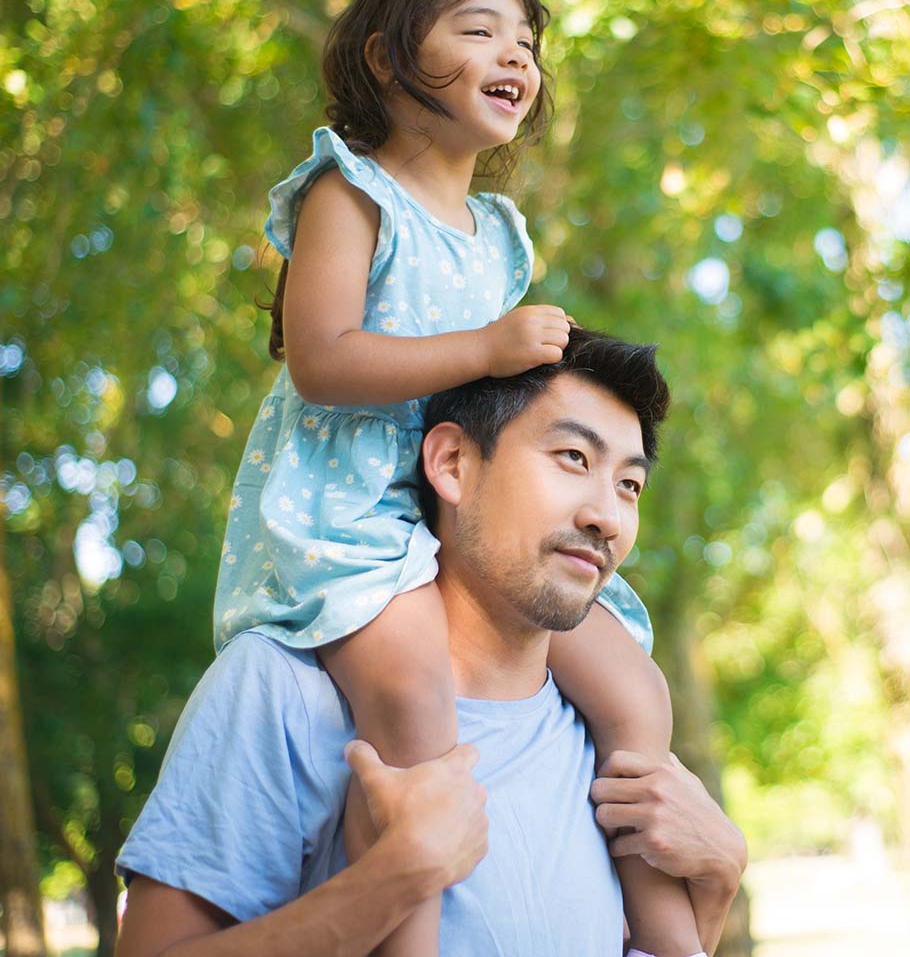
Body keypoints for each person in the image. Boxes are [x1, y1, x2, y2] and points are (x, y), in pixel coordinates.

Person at [210, 0, 701, 956]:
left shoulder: (498, 234)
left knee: (634, 690)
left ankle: (671, 936)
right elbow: (320, 358)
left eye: (526, 42)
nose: (514, 55)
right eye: (478, 31)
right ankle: (411, 939)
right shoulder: (348, 193)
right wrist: (484, 344)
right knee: (417, 700)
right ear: (389, 60)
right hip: (352, 513)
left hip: (463, 518)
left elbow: (498, 414)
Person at [115, 328, 747, 956]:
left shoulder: (611, 743)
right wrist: (392, 879)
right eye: (573, 459)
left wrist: (715, 887)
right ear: (452, 464)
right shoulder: (282, 692)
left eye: (628, 486)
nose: (605, 516)